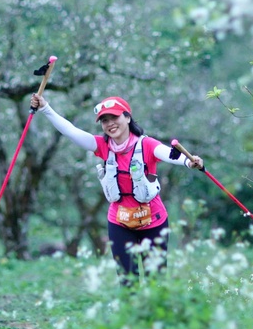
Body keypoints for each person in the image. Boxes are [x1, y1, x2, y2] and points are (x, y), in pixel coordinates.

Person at [30, 94, 203, 285]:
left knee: (156, 279)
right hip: (120, 222)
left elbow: (168, 153)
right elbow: (70, 131)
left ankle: (155, 315)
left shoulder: (147, 144)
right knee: (128, 280)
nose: (110, 124)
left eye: (115, 117)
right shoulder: (102, 146)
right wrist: (45, 108)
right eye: (105, 120)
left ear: (127, 117)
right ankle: (133, 314)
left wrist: (188, 161)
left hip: (153, 221)